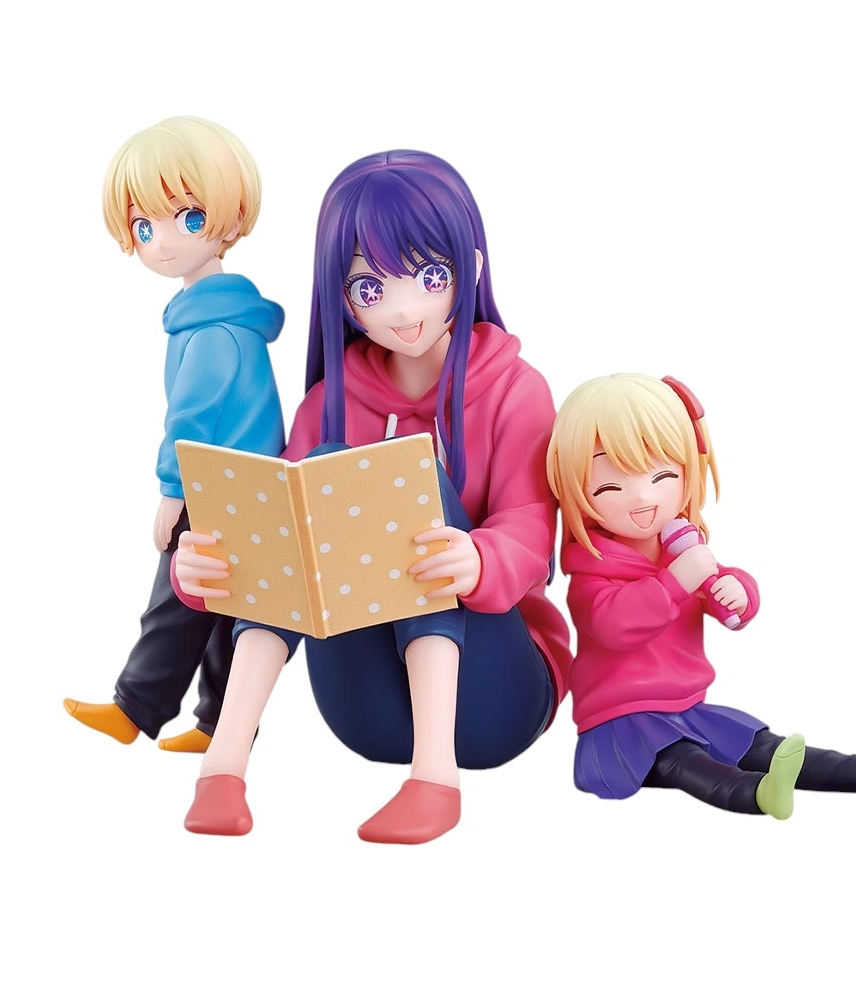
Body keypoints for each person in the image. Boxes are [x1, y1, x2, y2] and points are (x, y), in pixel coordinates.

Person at [173, 150, 573, 842]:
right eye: (370, 287)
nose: (404, 308)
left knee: (407, 483)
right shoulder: (328, 404)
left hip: (493, 702)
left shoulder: (517, 390)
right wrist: (207, 569)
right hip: (366, 713)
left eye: (429, 276)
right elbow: (282, 550)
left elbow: (532, 529)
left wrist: (481, 559)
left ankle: (436, 781)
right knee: (309, 494)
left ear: (472, 267)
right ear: (341, 297)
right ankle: (224, 766)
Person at [545, 373, 856, 817]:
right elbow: (612, 624)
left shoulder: (680, 545)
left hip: (687, 707)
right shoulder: (591, 568)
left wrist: (738, 593)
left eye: (661, 475)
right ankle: (757, 795)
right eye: (611, 485)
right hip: (620, 720)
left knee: (760, 744)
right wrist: (674, 582)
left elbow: (720, 591)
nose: (641, 496)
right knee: (684, 761)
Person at [65, 116, 285, 752]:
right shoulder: (217, 316)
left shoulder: (213, 328)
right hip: (247, 484)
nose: (161, 243)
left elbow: (192, 416)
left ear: (231, 217)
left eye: (188, 218)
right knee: (223, 605)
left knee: (178, 598)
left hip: (218, 485)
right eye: (143, 227)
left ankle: (134, 708)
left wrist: (172, 490)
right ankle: (216, 723)